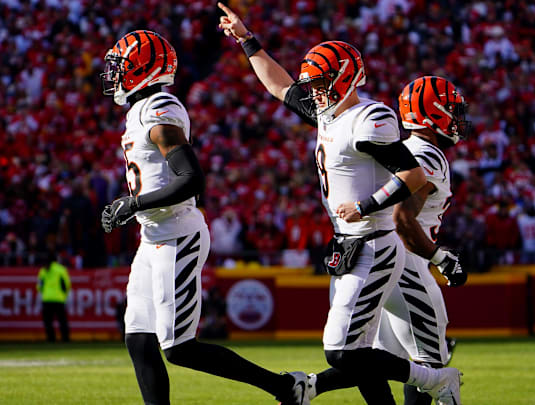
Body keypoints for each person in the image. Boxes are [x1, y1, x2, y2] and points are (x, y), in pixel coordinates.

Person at [218, 4, 462, 405]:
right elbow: (280, 86)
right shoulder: (328, 113)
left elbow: (412, 178)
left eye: (321, 83)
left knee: (340, 350)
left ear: (346, 79)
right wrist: (248, 41)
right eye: (313, 84)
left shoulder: (370, 118)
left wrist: (365, 206)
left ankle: (436, 379)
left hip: (375, 243)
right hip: (348, 245)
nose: (315, 91)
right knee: (357, 355)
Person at [100, 30, 308, 405]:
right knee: (138, 336)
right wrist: (136, 207)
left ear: (144, 69)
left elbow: (191, 179)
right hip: (153, 236)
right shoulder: (139, 111)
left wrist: (132, 205)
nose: (114, 73)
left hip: (177, 233)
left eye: (122, 66)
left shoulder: (158, 108)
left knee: (179, 347)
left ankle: (285, 388)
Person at [375, 76, 470, 405]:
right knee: (432, 366)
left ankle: (308, 386)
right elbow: (403, 219)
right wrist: (441, 258)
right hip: (406, 263)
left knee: (391, 363)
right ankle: (306, 387)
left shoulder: (403, 151)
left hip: (383, 263)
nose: (458, 118)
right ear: (434, 113)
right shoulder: (426, 155)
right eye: (453, 110)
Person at [37, 254, 71, 342]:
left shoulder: (43, 271)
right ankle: (65, 339)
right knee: (62, 321)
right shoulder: (61, 269)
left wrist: (44, 293)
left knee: (48, 322)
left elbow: (39, 286)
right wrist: (64, 295)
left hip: (47, 299)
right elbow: (67, 284)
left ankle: (51, 339)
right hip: (59, 299)